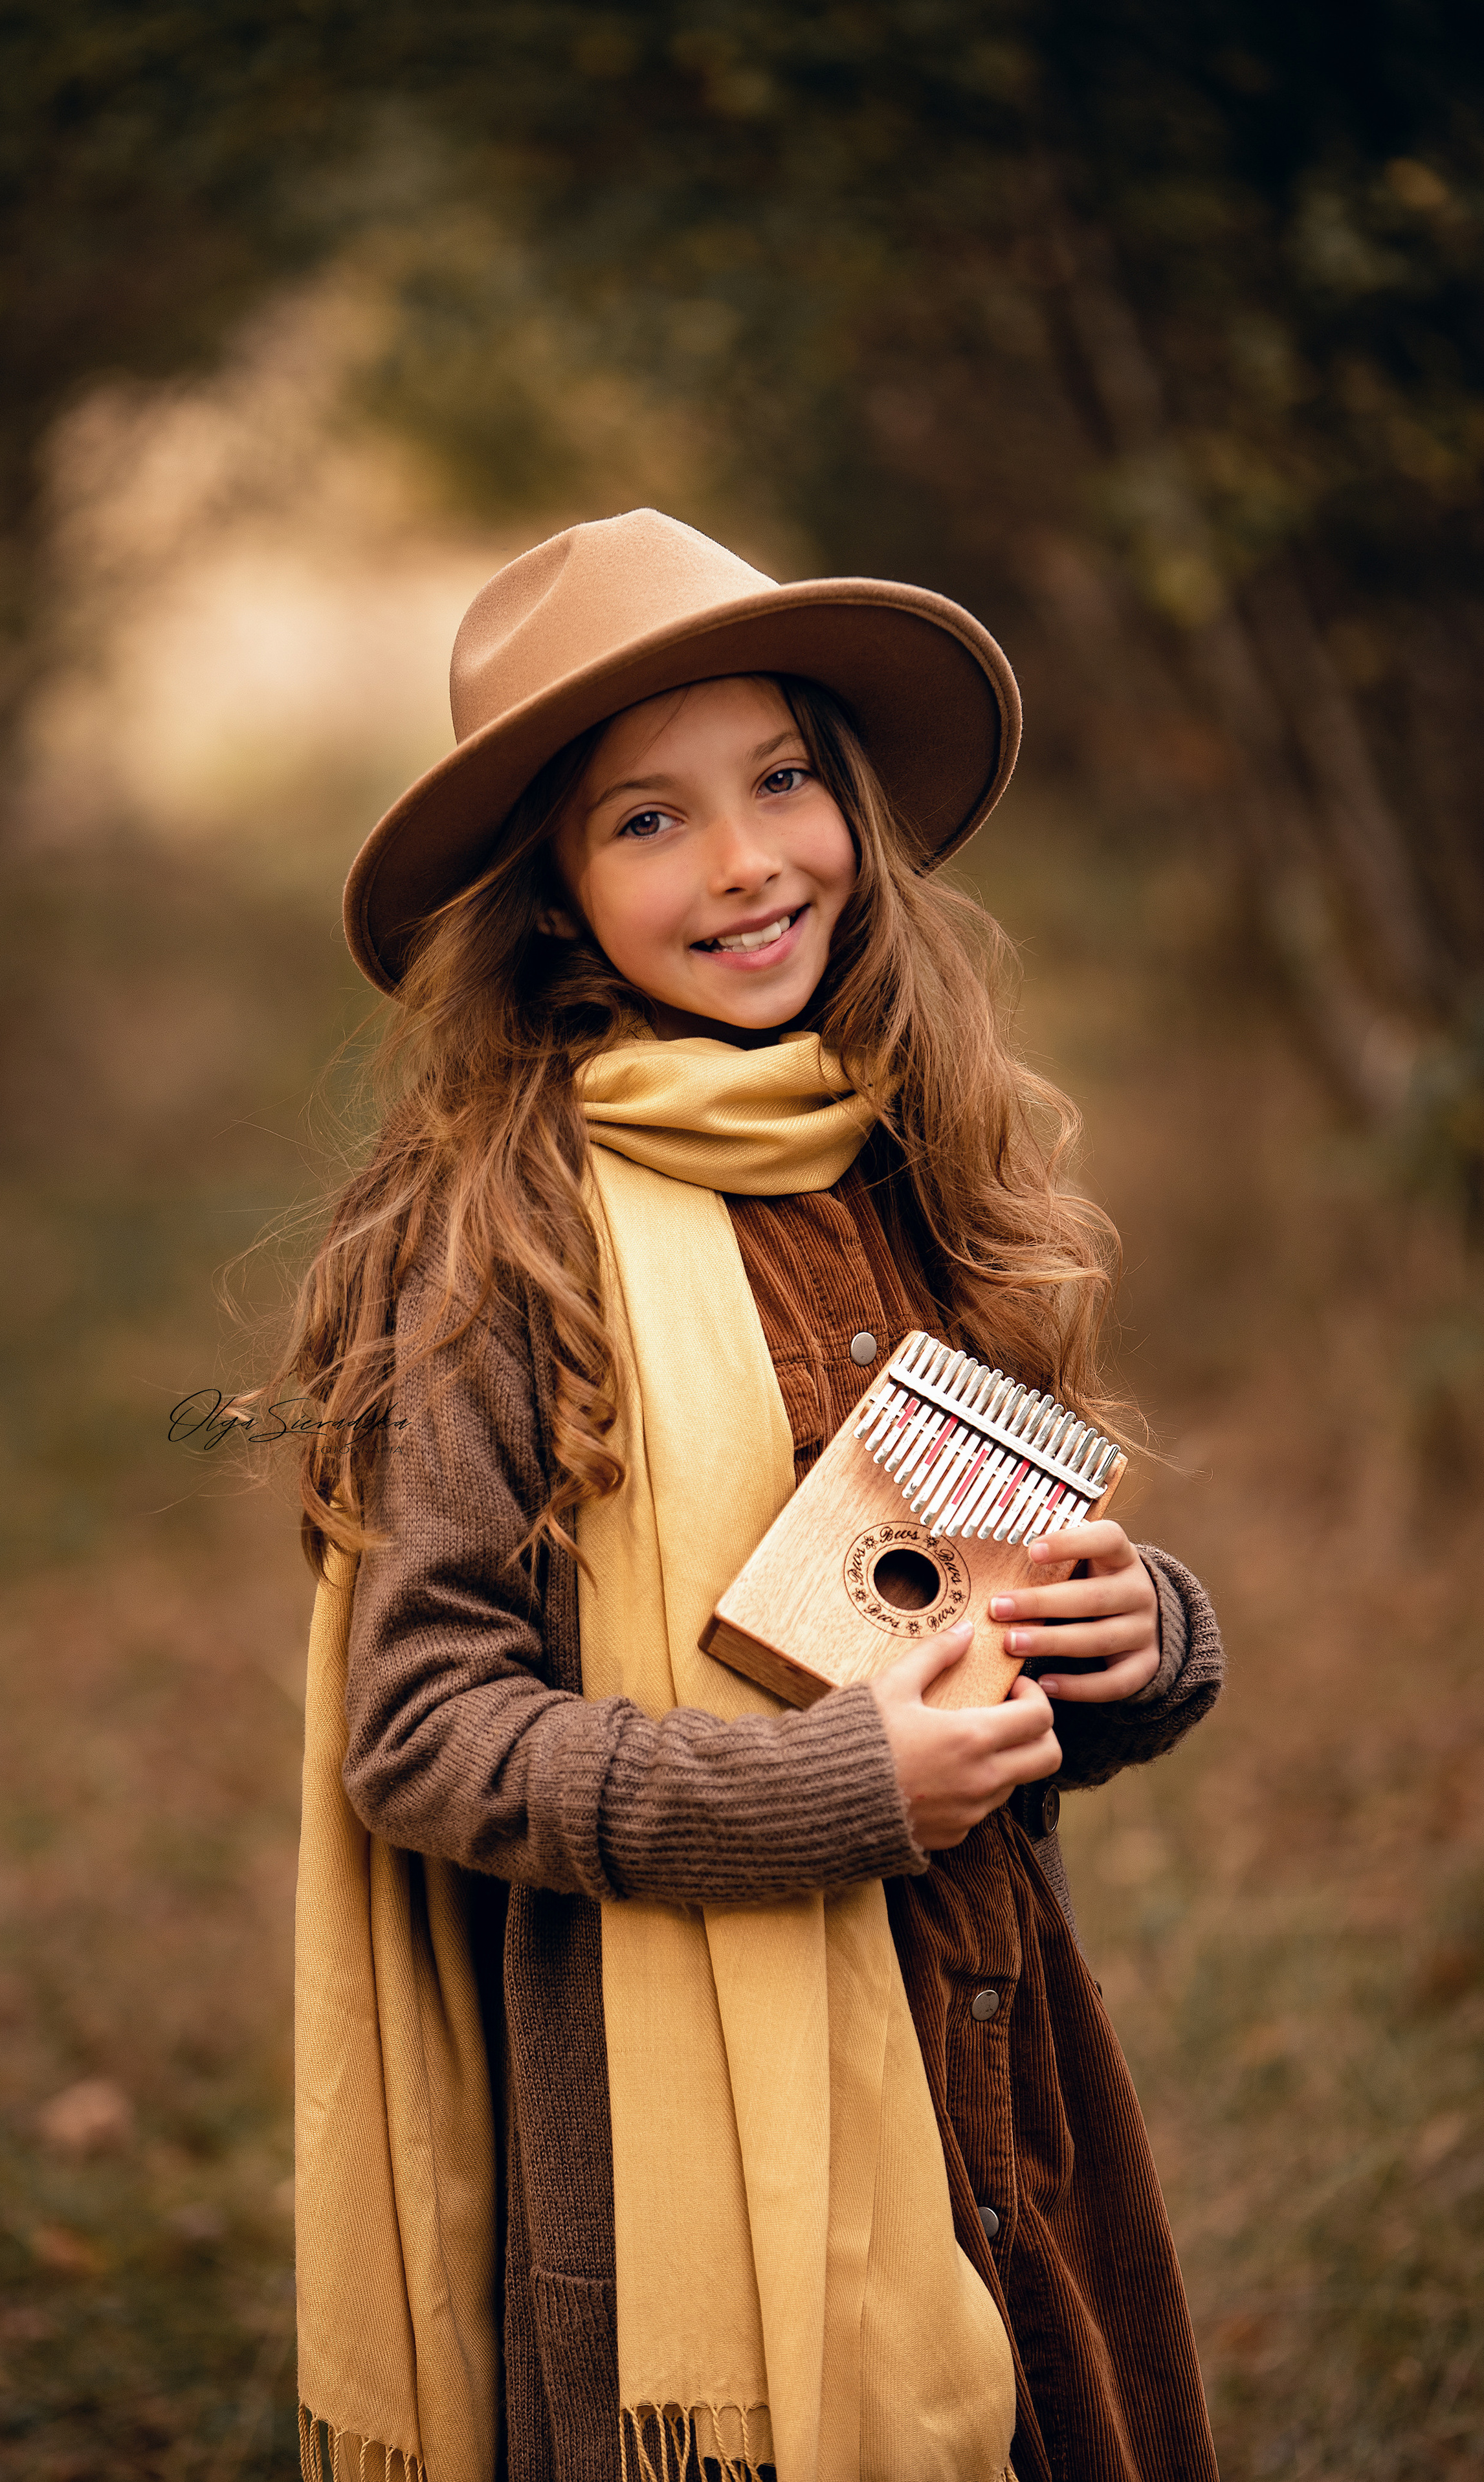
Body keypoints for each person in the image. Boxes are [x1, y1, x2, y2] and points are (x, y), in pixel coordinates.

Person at [285, 509, 1223, 2482]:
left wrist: (1140, 1638)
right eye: (648, 820)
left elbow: (970, 1609)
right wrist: (834, 1793)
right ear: (545, 893)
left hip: (994, 2061)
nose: (745, 864)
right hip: (666, 2138)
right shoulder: (499, 1246)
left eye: (783, 779)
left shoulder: (908, 1156)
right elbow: (420, 1727)